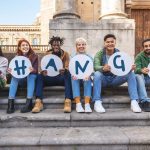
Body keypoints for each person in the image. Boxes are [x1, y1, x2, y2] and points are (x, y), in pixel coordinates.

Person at [93, 34, 141, 113]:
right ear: (104, 43)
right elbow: (95, 66)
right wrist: (102, 68)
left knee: (130, 73)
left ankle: (134, 101)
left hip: (115, 79)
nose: (110, 44)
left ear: (115, 43)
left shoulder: (118, 53)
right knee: (97, 74)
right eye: (108, 42)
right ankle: (97, 102)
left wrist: (129, 68)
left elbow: (123, 68)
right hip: (104, 80)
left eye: (112, 42)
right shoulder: (100, 54)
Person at [32, 36, 73, 113]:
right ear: (51, 45)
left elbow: (67, 66)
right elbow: (42, 66)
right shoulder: (47, 54)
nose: (56, 47)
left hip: (60, 77)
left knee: (68, 75)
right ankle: (38, 102)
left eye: (58, 45)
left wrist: (65, 70)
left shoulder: (65, 54)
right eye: (54, 45)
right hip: (49, 78)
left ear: (60, 45)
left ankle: (68, 101)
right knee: (39, 76)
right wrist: (43, 71)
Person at [7, 39, 38, 114]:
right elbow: (15, 70)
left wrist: (32, 70)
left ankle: (29, 103)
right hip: (22, 80)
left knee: (31, 75)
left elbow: (36, 70)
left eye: (27, 45)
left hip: (31, 79)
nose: (25, 46)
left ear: (29, 47)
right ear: (20, 47)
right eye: (23, 45)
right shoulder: (16, 57)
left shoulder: (34, 56)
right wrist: (11, 71)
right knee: (14, 77)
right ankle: (11, 103)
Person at [71, 37, 92, 113]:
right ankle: (78, 104)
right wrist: (73, 74)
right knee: (74, 78)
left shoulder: (89, 57)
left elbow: (91, 69)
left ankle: (87, 104)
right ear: (76, 46)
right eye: (79, 45)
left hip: (85, 77)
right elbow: (71, 68)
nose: (81, 46)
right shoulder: (72, 56)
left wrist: (89, 75)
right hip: (76, 78)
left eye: (83, 44)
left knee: (88, 79)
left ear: (85, 46)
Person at [135, 38, 150, 111]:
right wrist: (141, 70)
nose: (148, 48)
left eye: (149, 46)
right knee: (138, 75)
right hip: (145, 79)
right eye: (146, 46)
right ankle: (144, 101)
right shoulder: (139, 56)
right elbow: (135, 70)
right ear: (143, 47)